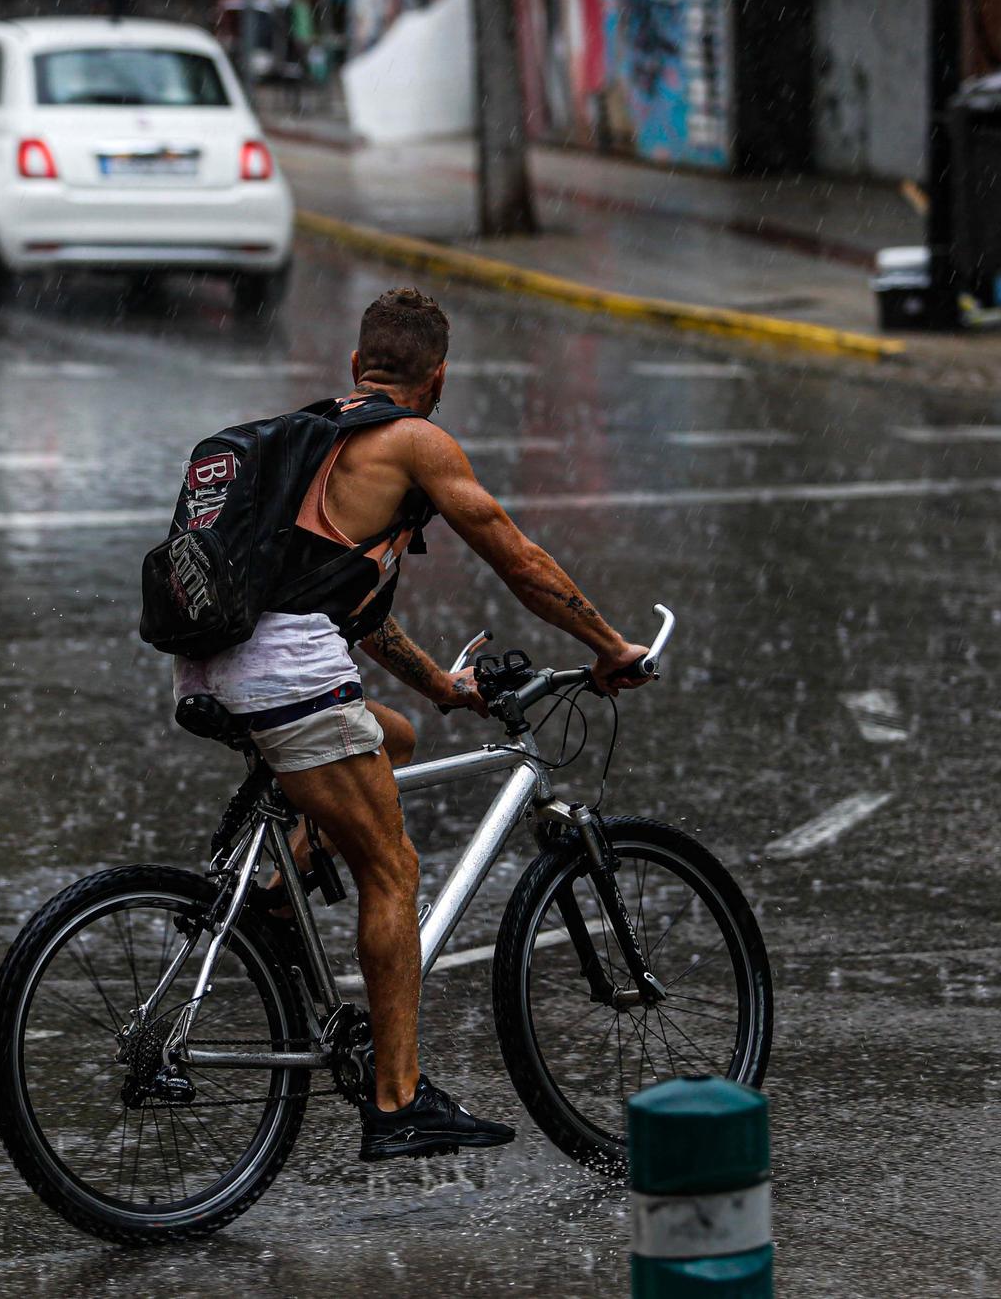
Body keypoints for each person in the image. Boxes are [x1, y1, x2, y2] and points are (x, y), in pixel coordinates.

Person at [173, 287, 652, 1162]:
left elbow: (346, 610)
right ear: (437, 380)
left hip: (218, 659)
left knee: (393, 737)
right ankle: (397, 1100)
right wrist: (609, 643)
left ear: (359, 367)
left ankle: (281, 888)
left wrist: (442, 685)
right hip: (287, 669)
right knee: (393, 865)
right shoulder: (414, 440)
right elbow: (516, 555)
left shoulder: (315, 440)